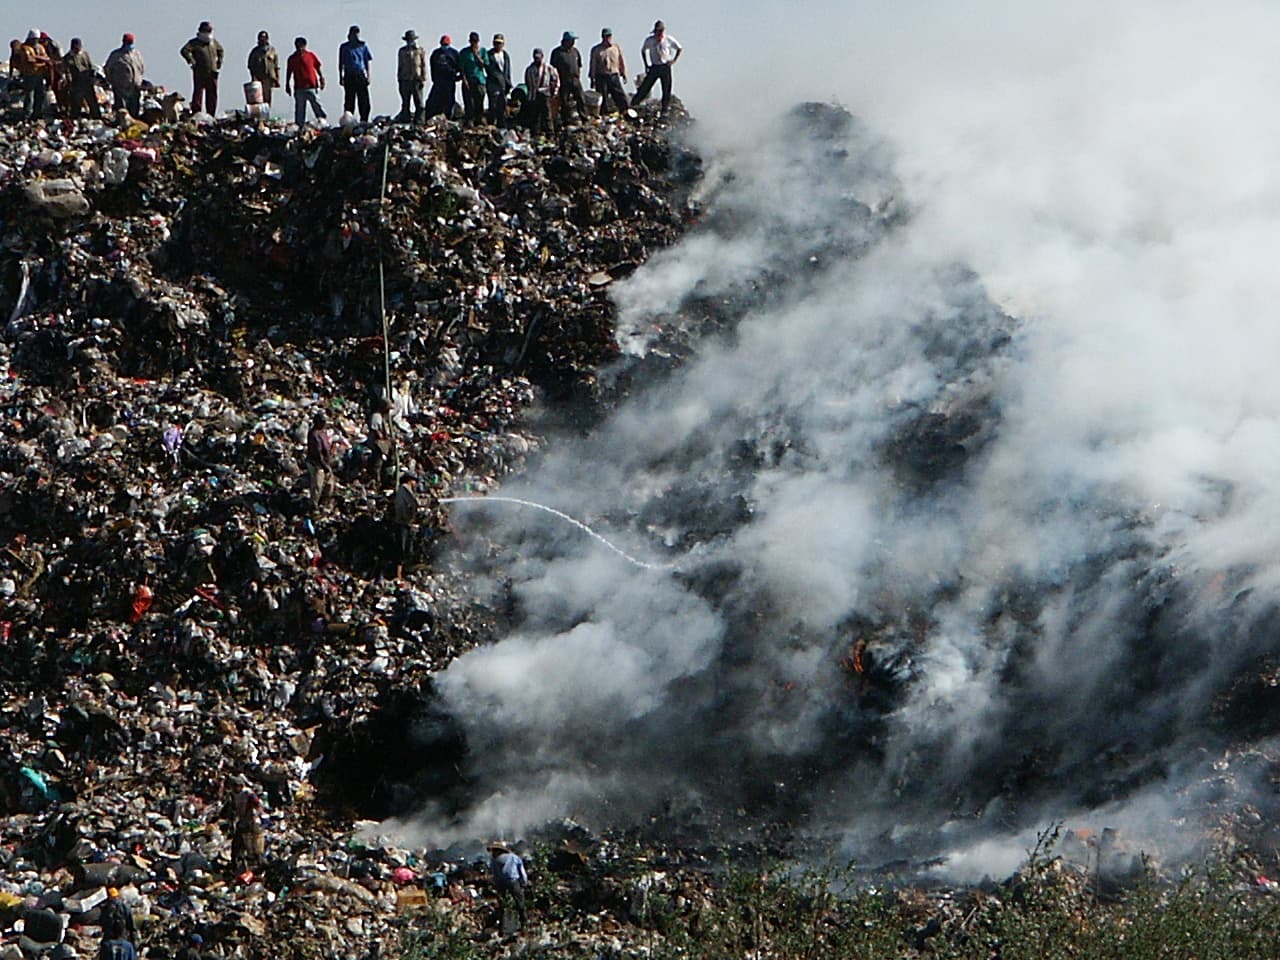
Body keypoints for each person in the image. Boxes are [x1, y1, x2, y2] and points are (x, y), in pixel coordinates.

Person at [632, 20, 682, 115]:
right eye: (657, 31)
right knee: (645, 86)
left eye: (660, 31)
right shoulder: (650, 40)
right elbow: (643, 51)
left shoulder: (668, 39)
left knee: (666, 89)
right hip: (654, 67)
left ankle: (664, 109)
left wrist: (674, 60)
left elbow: (679, 48)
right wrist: (646, 64)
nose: (659, 33)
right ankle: (634, 104)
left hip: (665, 66)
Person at [180, 22, 224, 115]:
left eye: (210, 31)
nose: (208, 33)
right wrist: (192, 61)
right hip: (200, 72)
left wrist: (219, 61)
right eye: (206, 31)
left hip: (212, 72)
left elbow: (220, 50)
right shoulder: (195, 42)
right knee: (198, 93)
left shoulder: (213, 42)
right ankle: (196, 112)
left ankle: (211, 113)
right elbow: (184, 51)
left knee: (212, 94)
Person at [285, 36, 326, 125]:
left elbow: (317, 67)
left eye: (301, 46)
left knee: (317, 105)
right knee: (300, 109)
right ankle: (300, 126)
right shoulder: (292, 58)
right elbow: (289, 72)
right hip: (299, 88)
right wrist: (287, 85)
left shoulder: (310, 56)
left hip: (311, 86)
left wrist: (321, 78)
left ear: (305, 46)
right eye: (297, 46)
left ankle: (323, 122)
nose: (299, 48)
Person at [588, 28, 628, 117]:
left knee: (619, 94)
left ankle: (625, 111)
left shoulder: (616, 48)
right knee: (603, 96)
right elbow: (593, 64)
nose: (607, 38)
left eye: (609, 36)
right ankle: (604, 113)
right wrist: (592, 78)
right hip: (601, 75)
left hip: (614, 74)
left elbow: (621, 60)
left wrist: (624, 73)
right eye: (605, 36)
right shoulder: (596, 49)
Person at [488, 844, 529, 930]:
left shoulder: (494, 860)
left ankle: (502, 927)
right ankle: (524, 923)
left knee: (502, 905)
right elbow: (522, 873)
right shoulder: (514, 857)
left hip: (500, 884)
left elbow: (493, 873)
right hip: (513, 882)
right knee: (520, 902)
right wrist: (524, 883)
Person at [12, 31, 51, 120]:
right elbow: (29, 60)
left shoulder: (40, 47)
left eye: (37, 39)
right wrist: (42, 61)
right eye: (34, 39)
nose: (35, 41)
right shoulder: (25, 48)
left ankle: (37, 114)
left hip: (39, 75)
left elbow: (47, 58)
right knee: (30, 96)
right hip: (29, 75)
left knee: (40, 95)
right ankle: (27, 115)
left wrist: (37, 58)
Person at [104, 33, 144, 117]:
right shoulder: (116, 55)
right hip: (121, 87)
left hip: (134, 87)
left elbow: (141, 68)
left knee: (134, 108)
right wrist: (112, 81)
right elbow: (108, 69)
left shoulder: (137, 54)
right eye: (128, 43)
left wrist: (139, 80)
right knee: (121, 109)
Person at [338, 25, 372, 122]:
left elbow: (367, 61)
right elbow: (341, 63)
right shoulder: (344, 47)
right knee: (349, 100)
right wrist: (341, 76)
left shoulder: (363, 46)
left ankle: (364, 120)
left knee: (364, 100)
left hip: (360, 74)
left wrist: (368, 76)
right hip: (349, 75)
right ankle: (349, 121)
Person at [550, 31, 585, 125]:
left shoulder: (575, 51)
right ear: (566, 41)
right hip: (563, 80)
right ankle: (566, 120)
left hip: (575, 79)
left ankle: (584, 117)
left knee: (581, 98)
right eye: (571, 40)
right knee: (564, 101)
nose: (573, 42)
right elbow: (552, 68)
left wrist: (578, 76)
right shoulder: (557, 52)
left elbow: (579, 65)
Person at [523, 48, 559, 138]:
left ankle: (550, 134)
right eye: (535, 58)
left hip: (545, 93)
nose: (537, 59)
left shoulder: (548, 68)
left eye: (539, 57)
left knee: (547, 115)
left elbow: (556, 80)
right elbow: (527, 82)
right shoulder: (529, 69)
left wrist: (554, 92)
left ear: (542, 57)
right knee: (535, 115)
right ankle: (536, 133)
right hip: (534, 95)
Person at [63, 38, 100, 119]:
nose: (78, 49)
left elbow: (90, 66)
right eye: (76, 47)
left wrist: (93, 77)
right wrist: (69, 81)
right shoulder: (67, 58)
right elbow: (67, 71)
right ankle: (75, 119)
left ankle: (97, 117)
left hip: (87, 83)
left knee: (93, 103)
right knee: (76, 104)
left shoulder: (85, 54)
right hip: (76, 85)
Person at [305, 412, 336, 508]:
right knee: (317, 485)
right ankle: (313, 505)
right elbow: (317, 453)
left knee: (329, 484)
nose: (324, 424)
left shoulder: (322, 432)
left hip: (325, 462)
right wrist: (325, 466)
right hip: (316, 463)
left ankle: (324, 502)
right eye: (322, 422)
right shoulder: (314, 435)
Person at [425, 36, 459, 120]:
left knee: (450, 100)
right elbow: (432, 66)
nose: (444, 46)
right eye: (443, 44)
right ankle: (432, 116)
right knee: (434, 100)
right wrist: (433, 78)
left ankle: (449, 117)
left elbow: (459, 66)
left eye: (446, 44)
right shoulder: (436, 53)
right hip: (438, 81)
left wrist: (456, 76)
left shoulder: (454, 53)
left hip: (450, 80)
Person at [393, 473, 419, 580]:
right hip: (403, 524)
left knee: (404, 549)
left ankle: (402, 572)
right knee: (403, 550)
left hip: (402, 523)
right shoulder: (405, 488)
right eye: (414, 481)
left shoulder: (400, 490)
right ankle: (399, 574)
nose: (415, 484)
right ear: (409, 480)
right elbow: (414, 502)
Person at [458, 32, 488, 125]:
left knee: (479, 101)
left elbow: (484, 65)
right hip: (468, 80)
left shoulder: (483, 51)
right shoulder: (464, 52)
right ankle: (469, 120)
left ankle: (479, 118)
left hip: (479, 80)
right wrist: (464, 80)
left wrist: (477, 55)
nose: (474, 43)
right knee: (469, 102)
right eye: (472, 41)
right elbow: (461, 67)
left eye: (475, 41)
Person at [396, 30, 426, 123]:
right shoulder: (402, 51)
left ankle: (419, 121)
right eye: (409, 40)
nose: (410, 41)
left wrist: (423, 78)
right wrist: (399, 79)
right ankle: (405, 120)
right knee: (405, 102)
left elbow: (423, 65)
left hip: (417, 79)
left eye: (412, 40)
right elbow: (400, 65)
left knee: (419, 103)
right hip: (405, 79)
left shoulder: (420, 50)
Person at [247, 31, 280, 107]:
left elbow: (276, 65)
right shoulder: (255, 51)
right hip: (258, 78)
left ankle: (266, 114)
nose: (262, 40)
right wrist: (253, 77)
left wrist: (277, 79)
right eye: (261, 38)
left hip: (269, 78)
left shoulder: (272, 50)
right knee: (258, 99)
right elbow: (250, 66)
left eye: (264, 38)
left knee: (267, 98)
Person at [485, 34, 512, 127]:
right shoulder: (489, 55)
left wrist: (508, 83)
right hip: (493, 83)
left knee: (502, 104)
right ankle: (492, 122)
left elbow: (507, 70)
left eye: (500, 43)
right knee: (493, 104)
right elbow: (489, 69)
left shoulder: (505, 55)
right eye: (496, 43)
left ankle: (501, 124)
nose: (498, 45)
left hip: (503, 84)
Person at [367, 399, 392, 487]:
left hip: (380, 443)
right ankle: (375, 482)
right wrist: (383, 437)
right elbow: (375, 430)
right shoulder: (376, 416)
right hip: (376, 443)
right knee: (377, 464)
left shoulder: (382, 417)